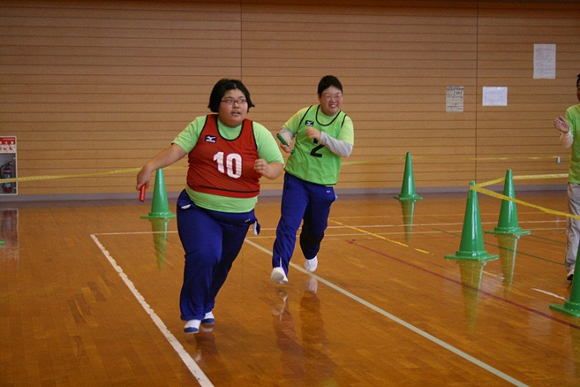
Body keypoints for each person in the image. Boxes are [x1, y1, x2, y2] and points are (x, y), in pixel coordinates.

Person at [136, 78, 284, 333]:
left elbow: (277, 166)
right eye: (229, 100)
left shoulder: (257, 132)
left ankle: (206, 304)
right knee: (205, 255)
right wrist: (150, 166)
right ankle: (193, 312)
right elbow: (176, 150)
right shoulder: (201, 125)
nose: (236, 105)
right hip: (199, 209)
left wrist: (267, 169)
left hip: (239, 216)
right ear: (218, 104)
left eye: (241, 101)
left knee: (222, 264)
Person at [270, 75, 354, 283]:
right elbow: (285, 131)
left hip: (323, 185)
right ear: (319, 97)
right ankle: (280, 266)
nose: (333, 100)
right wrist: (286, 141)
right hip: (296, 179)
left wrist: (322, 136)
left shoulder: (344, 121)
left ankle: (310, 252)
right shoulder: (305, 113)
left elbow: (346, 149)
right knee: (289, 224)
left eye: (338, 96)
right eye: (328, 96)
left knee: (315, 229)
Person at [554, 73, 580, 281]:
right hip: (577, 179)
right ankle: (572, 267)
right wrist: (566, 132)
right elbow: (567, 144)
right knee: (575, 224)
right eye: (578, 87)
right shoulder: (572, 112)